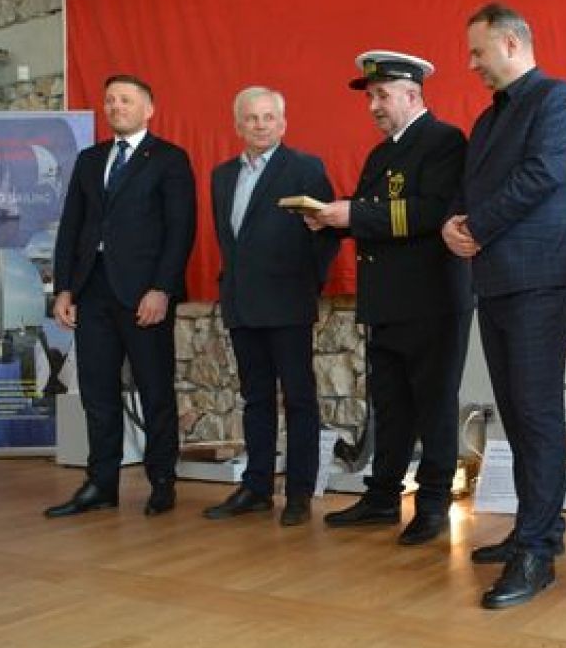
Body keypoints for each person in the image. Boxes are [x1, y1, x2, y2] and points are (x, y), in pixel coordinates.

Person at [442, 4, 566, 609]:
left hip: (538, 278)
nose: (471, 63)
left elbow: (542, 176)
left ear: (509, 42)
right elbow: (472, 188)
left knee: (535, 413)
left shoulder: (558, 100)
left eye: (477, 51)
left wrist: (475, 226)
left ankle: (537, 552)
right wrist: (453, 222)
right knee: (516, 414)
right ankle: (538, 528)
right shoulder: (488, 119)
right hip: (497, 279)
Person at [308, 51, 473, 546]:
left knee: (434, 406)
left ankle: (433, 504)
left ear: (413, 94)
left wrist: (353, 215)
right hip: (387, 301)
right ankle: (382, 497)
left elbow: (431, 212)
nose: (374, 106)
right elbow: (373, 215)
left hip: (430, 299)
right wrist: (330, 219)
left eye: (382, 95)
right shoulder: (382, 154)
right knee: (391, 405)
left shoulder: (443, 141)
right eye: (371, 97)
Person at [46, 74, 196, 518]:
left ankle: (162, 481)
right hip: (92, 291)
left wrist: (162, 288)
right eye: (110, 100)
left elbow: (180, 230)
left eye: (126, 100)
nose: (115, 107)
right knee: (97, 392)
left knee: (154, 390)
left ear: (149, 109)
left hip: (144, 295)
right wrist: (64, 287)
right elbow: (71, 228)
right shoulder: (90, 159)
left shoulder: (169, 158)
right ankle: (101, 483)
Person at [202, 87, 337, 527]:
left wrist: (307, 283)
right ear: (237, 125)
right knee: (255, 399)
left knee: (299, 400)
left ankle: (299, 492)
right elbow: (230, 241)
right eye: (251, 118)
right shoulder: (222, 175)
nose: (260, 125)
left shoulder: (304, 168)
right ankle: (256, 487)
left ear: (283, 123)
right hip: (241, 304)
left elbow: (326, 234)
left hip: (288, 302)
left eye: (268, 117)